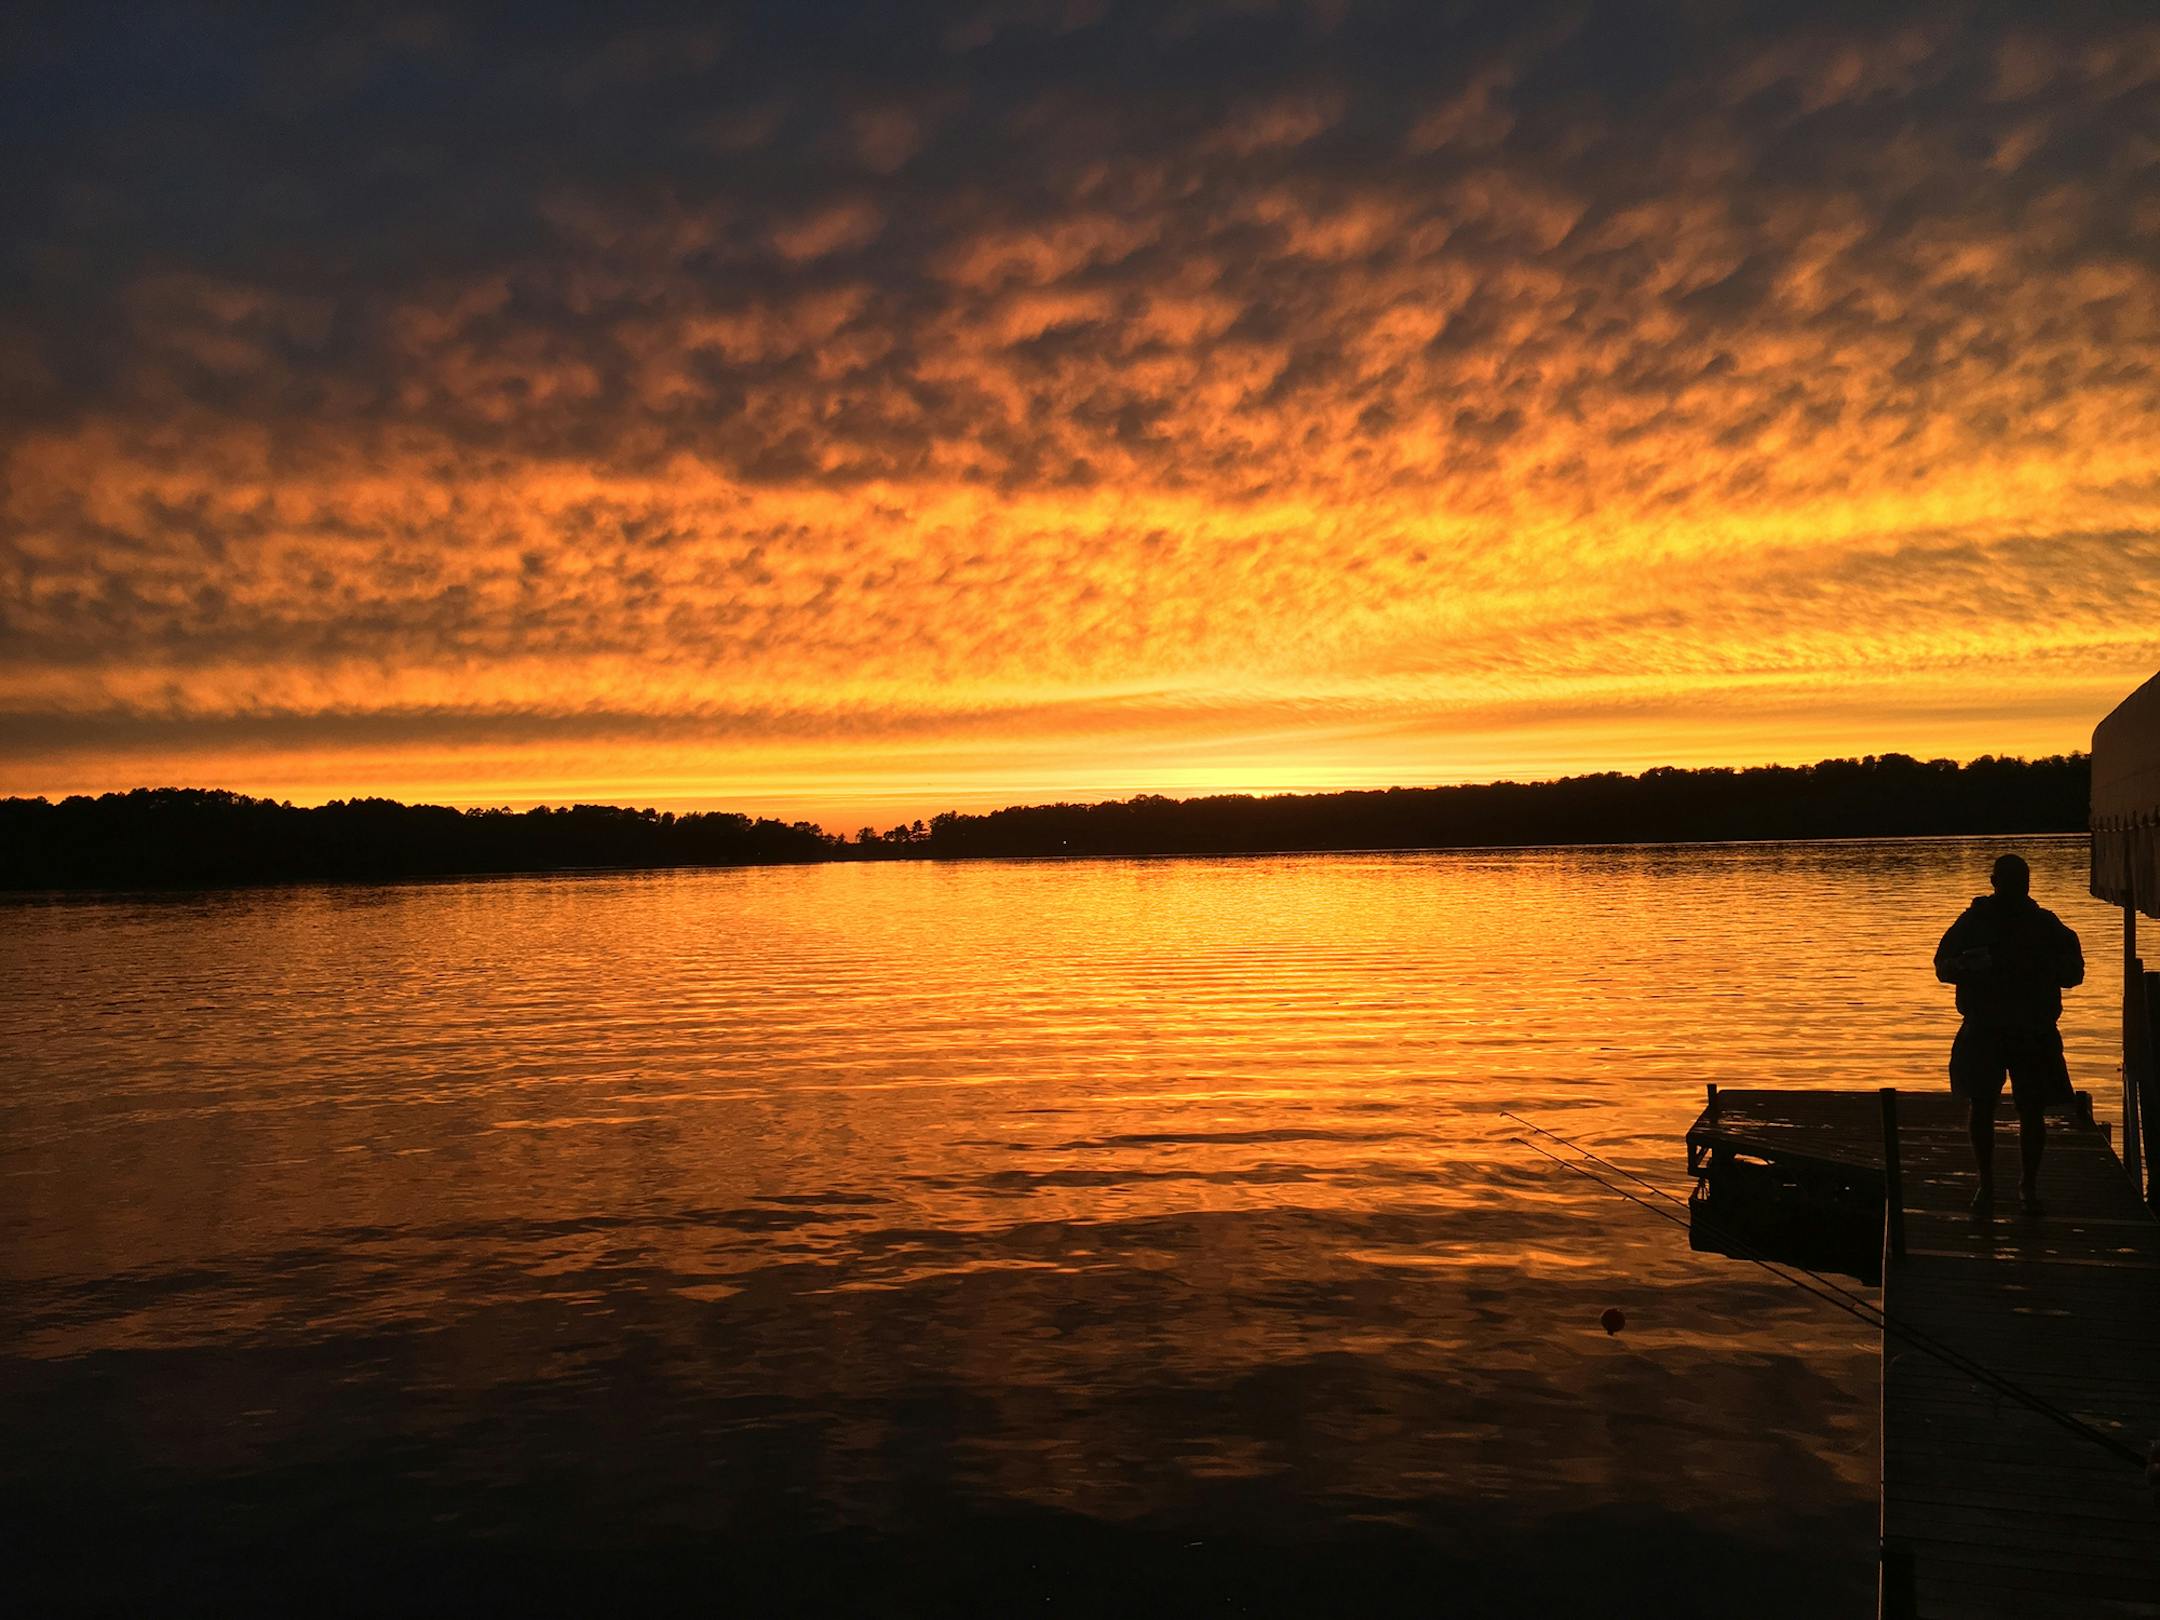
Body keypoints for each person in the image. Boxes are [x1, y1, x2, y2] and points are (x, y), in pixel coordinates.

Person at [1933, 854, 2084, 1215]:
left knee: (2029, 1109)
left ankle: (2024, 1187)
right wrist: (1966, 965)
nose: (2015, 888)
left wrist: (2040, 964)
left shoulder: (2046, 925)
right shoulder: (1973, 922)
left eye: (2019, 881)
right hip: (1985, 1028)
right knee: (1984, 1106)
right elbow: (1942, 966)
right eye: (2010, 880)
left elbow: (2074, 973)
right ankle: (1989, 1185)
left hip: (2032, 1030)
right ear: (1995, 882)